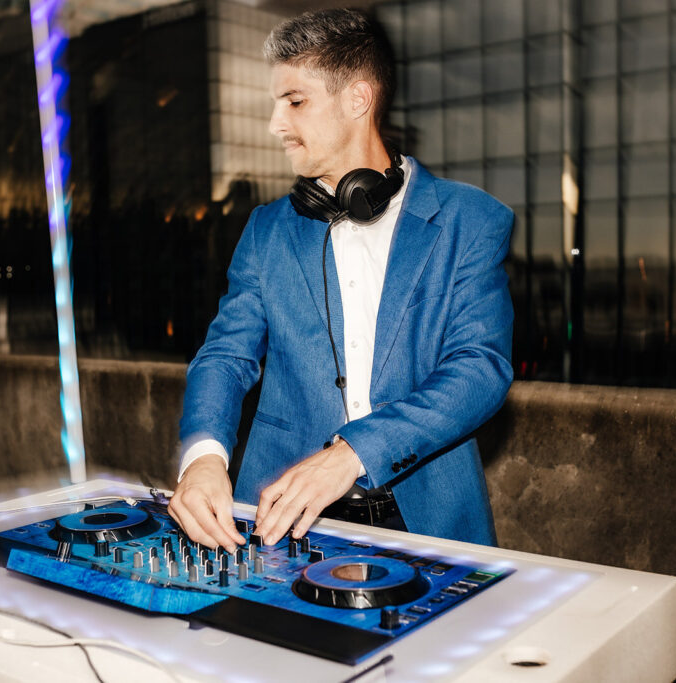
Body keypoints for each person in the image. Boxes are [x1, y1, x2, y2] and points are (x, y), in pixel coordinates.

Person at [167, 8, 513, 552]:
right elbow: (225, 355)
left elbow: (479, 368)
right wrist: (203, 459)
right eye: (275, 104)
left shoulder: (471, 220)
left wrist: (351, 454)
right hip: (281, 520)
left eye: (295, 102)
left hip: (429, 522)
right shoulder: (265, 230)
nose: (276, 124)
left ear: (357, 99)